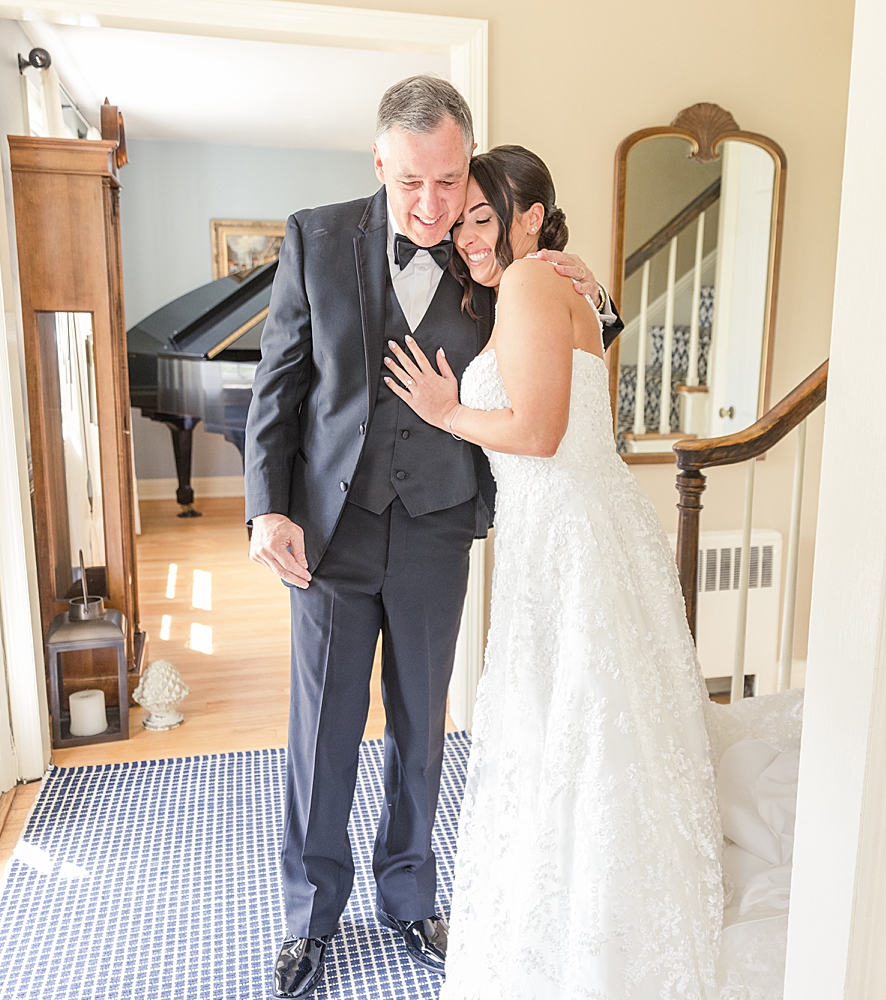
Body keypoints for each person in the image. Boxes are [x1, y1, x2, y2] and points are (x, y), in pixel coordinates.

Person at [243, 78, 620, 999]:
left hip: (436, 529)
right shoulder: (316, 238)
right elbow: (279, 384)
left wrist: (596, 292)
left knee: (424, 730)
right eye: (412, 183)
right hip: (327, 536)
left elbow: (568, 349)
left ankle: (410, 897)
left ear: (468, 167)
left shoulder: (492, 253)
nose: (431, 205)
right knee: (323, 737)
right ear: (380, 164)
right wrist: (266, 508)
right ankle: (309, 916)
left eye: (449, 182)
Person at [384, 145, 723, 999]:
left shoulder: (533, 283)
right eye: (460, 224)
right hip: (578, 528)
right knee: (590, 727)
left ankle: (580, 926)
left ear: (532, 216)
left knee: (569, 728)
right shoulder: (547, 286)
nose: (465, 237)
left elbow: (537, 432)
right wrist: (603, 299)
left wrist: (447, 409)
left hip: (567, 535)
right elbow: (585, 374)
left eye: (482, 218)